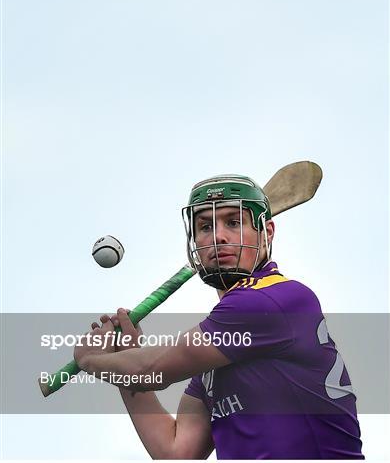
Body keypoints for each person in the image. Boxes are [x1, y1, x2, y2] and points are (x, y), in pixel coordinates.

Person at [75, 174, 364, 459]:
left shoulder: (271, 299)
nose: (217, 236)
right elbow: (176, 451)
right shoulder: (219, 353)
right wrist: (125, 358)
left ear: (267, 233)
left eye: (233, 222)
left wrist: (91, 360)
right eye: (205, 226)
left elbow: (150, 371)